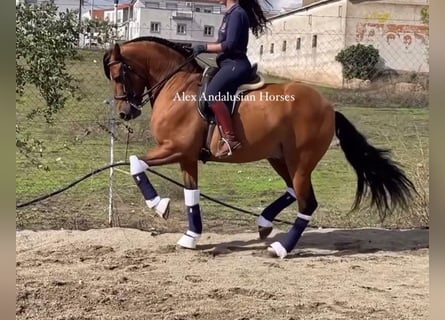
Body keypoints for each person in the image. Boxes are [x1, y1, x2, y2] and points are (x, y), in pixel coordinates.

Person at [192, 0, 270, 158]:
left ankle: (230, 139)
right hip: (227, 64)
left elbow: (229, 45)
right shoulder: (229, 15)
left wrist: (204, 47)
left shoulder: (237, 14)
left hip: (236, 65)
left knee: (211, 94)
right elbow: (221, 43)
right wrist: (196, 47)